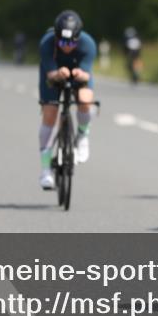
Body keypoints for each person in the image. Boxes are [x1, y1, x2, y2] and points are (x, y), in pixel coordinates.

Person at [37, 10, 97, 190]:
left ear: (78, 39)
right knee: (49, 113)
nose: (66, 46)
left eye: (71, 42)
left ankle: (82, 135)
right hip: (53, 75)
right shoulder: (46, 44)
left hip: (78, 74)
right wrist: (57, 73)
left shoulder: (88, 44)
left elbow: (86, 73)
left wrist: (80, 73)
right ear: (55, 37)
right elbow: (50, 73)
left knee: (85, 99)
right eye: (62, 41)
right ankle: (46, 170)